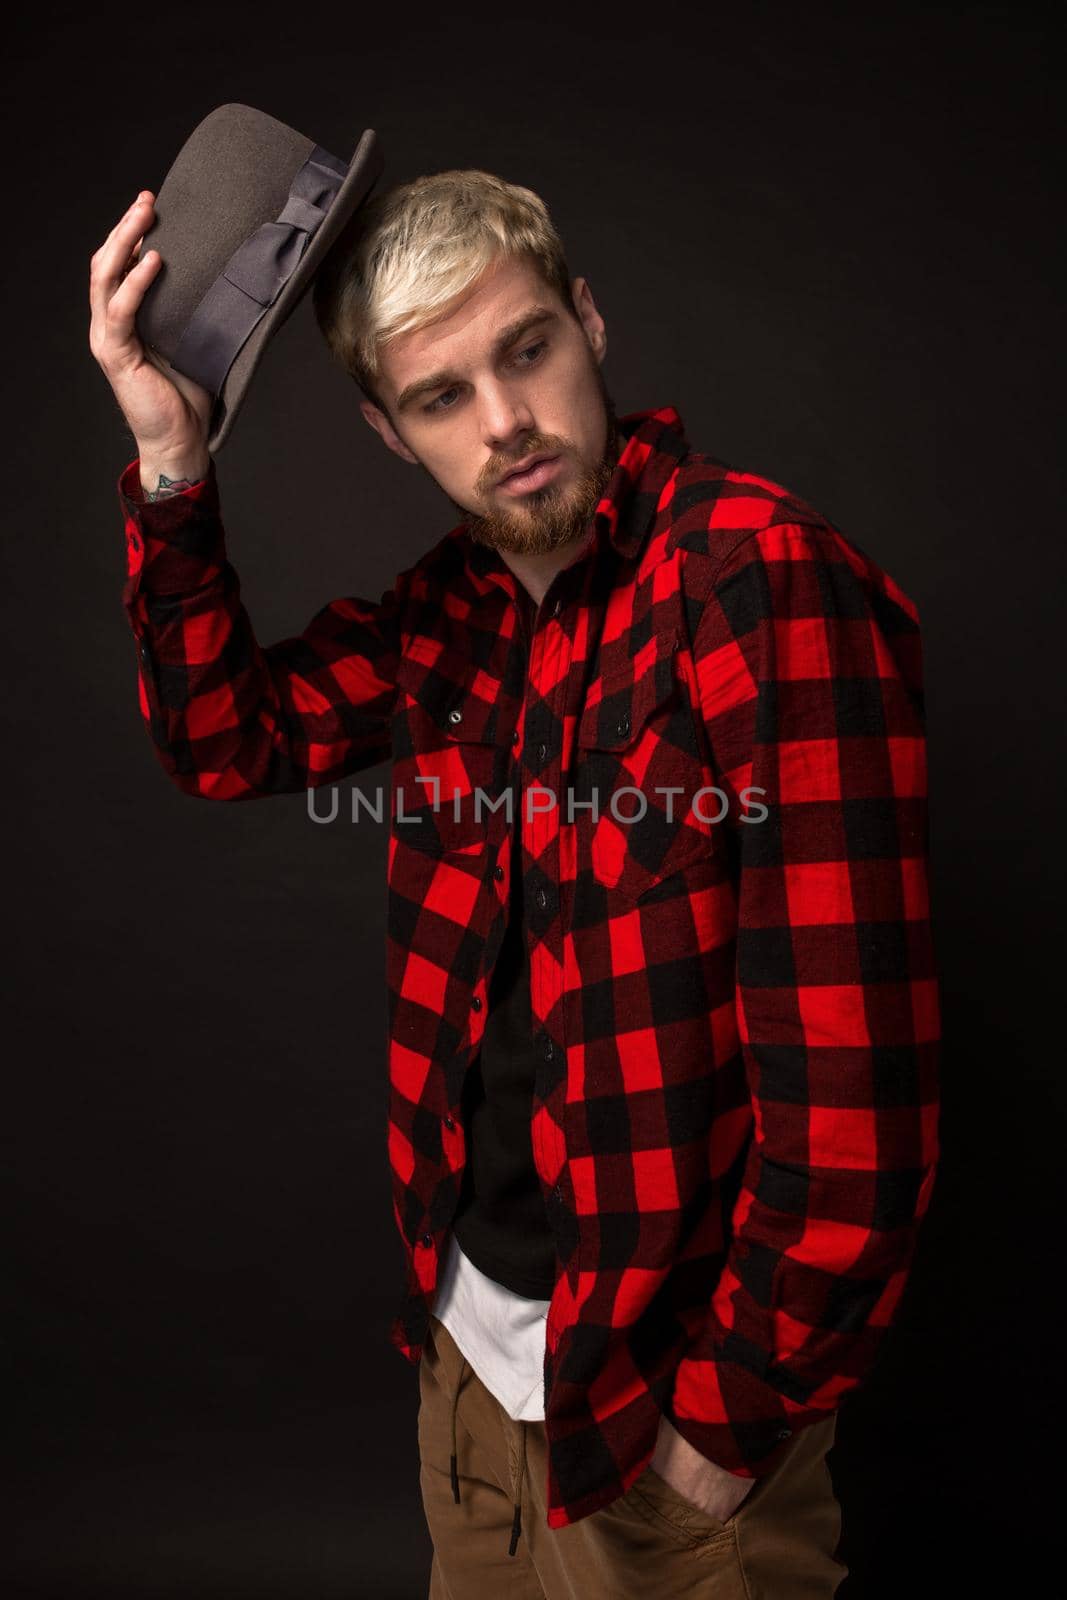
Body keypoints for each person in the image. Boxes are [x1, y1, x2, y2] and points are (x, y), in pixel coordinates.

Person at [89, 169, 940, 1599]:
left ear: (589, 321)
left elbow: (859, 1100)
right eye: (440, 396)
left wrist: (721, 1429)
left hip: (670, 1416)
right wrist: (173, 461)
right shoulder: (447, 619)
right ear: (386, 428)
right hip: (473, 1384)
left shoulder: (757, 582)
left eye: (527, 349)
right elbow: (222, 737)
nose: (507, 426)